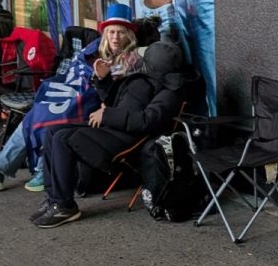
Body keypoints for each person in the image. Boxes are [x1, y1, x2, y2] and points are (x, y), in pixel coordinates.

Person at [0, 7, 123, 192]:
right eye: (111, 32)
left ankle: (45, 169)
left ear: (129, 35)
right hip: (73, 94)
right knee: (34, 115)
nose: (115, 37)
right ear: (105, 33)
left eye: (120, 32)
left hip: (95, 106)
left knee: (54, 118)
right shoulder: (95, 49)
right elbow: (74, 72)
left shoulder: (129, 60)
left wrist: (103, 91)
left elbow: (118, 96)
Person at [32, 39, 192, 228]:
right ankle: (54, 198)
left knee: (63, 138)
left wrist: (107, 114)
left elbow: (146, 121)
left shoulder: (170, 92)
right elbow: (119, 102)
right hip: (113, 129)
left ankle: (65, 206)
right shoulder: (145, 81)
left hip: (127, 140)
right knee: (54, 131)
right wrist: (103, 80)